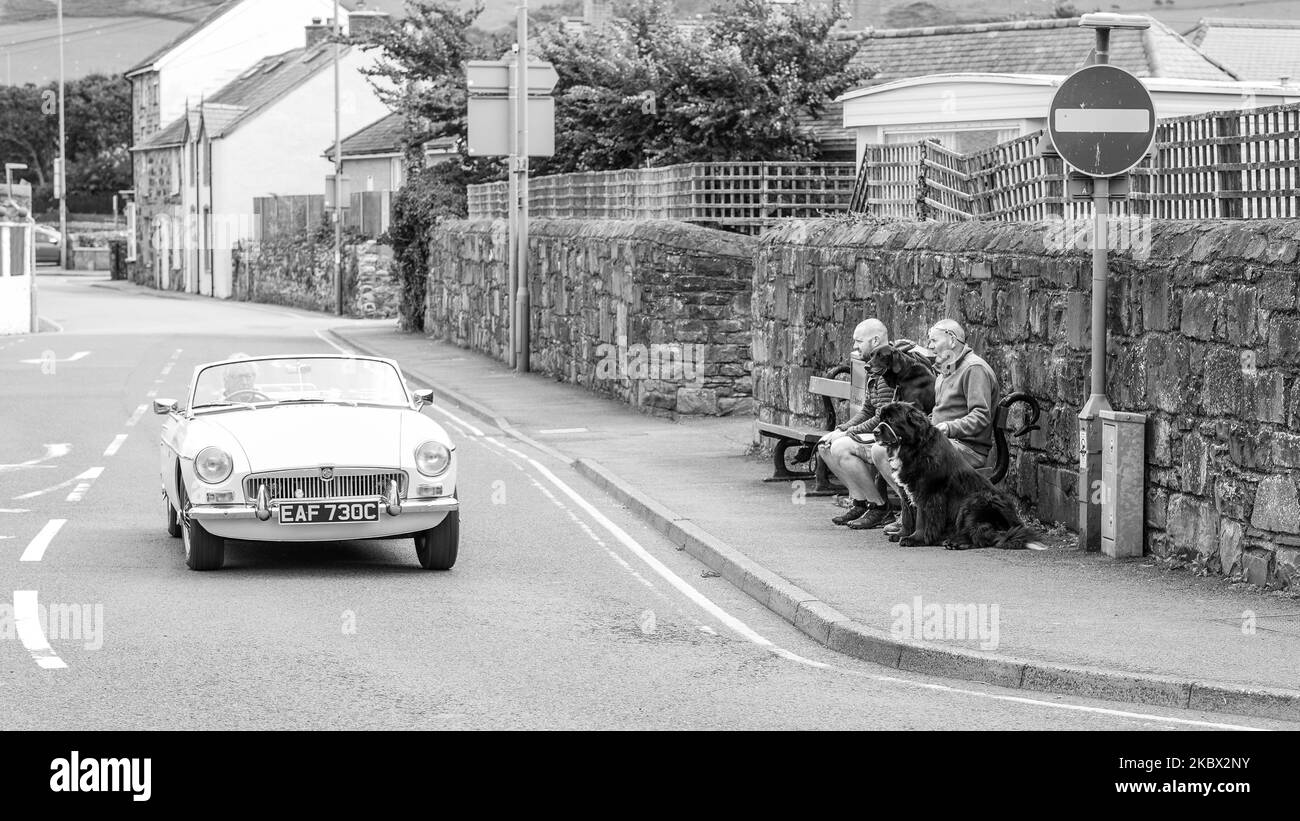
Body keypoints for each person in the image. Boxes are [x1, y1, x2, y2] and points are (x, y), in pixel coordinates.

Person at [881, 319, 1001, 538]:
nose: (931, 345)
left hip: (966, 448)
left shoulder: (974, 369)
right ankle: (910, 521)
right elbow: (937, 413)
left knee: (909, 458)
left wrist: (947, 427)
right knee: (886, 450)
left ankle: (920, 526)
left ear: (952, 339)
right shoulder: (946, 369)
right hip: (941, 443)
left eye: (934, 340)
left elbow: (981, 416)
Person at [817, 318, 900, 529]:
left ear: (875, 340)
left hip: (889, 436)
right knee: (824, 446)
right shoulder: (874, 368)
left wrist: (849, 433)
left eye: (858, 341)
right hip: (877, 431)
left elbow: (883, 416)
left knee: (840, 447)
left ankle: (880, 508)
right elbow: (867, 410)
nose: (854, 346)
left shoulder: (889, 369)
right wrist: (842, 428)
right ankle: (860, 502)